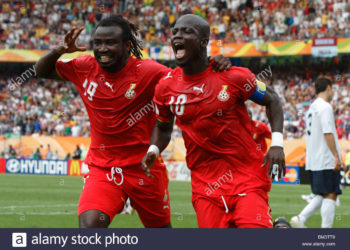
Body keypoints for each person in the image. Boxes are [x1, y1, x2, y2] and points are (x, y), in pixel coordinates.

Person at [34, 14, 230, 228]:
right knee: (89, 227)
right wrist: (59, 50)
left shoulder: (149, 72)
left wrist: (213, 63)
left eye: (110, 43)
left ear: (127, 45)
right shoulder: (84, 66)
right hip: (102, 168)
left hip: (144, 168)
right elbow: (40, 71)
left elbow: (186, 80)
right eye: (98, 43)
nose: (102, 49)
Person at [142, 14, 285, 228]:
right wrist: (153, 149)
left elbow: (272, 99)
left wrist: (277, 144)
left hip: (246, 176)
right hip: (205, 185)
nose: (177, 36)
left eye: (186, 31)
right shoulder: (166, 87)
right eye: (175, 32)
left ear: (203, 41)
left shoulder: (234, 77)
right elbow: (163, 127)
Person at [290, 77, 342, 228]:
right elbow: (327, 133)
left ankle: (300, 218)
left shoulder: (311, 108)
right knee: (331, 193)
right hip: (325, 159)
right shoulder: (325, 107)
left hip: (314, 160)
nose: (332, 92)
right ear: (328, 88)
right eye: (332, 89)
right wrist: (336, 156)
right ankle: (326, 232)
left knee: (321, 193)